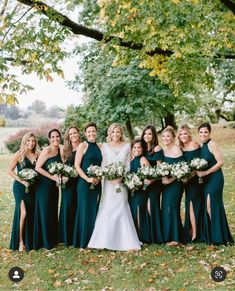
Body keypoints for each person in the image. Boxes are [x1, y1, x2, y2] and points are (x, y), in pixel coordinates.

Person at [88, 123, 141, 251]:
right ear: (109, 134)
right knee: (108, 206)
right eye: (113, 132)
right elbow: (103, 164)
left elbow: (128, 164)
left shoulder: (127, 147)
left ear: (121, 133)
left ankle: (125, 241)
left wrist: (121, 177)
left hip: (122, 182)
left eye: (117, 132)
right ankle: (104, 240)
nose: (115, 135)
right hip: (109, 183)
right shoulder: (104, 147)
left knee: (122, 205)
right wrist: (110, 177)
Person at [197, 123, 233, 245]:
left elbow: (221, 162)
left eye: (205, 132)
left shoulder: (212, 144)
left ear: (209, 133)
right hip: (206, 180)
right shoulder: (202, 145)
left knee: (210, 205)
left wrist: (206, 172)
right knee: (209, 206)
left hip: (215, 178)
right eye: (201, 132)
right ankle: (215, 235)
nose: (203, 134)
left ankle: (218, 237)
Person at [8, 132, 40, 252]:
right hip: (20, 188)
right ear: (24, 141)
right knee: (23, 213)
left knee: (31, 213)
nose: (31, 143)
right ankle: (21, 242)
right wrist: (22, 181)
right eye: (28, 141)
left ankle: (30, 240)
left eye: (33, 141)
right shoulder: (19, 154)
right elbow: (10, 171)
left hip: (33, 188)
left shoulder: (37, 154)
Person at [73, 122, 102, 248]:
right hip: (84, 184)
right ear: (85, 133)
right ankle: (82, 241)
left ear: (96, 132)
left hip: (97, 183)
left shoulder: (100, 146)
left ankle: (94, 240)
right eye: (89, 131)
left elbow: (103, 165)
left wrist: (99, 177)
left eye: (93, 131)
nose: (91, 133)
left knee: (94, 209)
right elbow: (77, 166)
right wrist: (87, 179)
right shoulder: (82, 146)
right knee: (84, 210)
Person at [34, 128, 62, 250]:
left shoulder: (60, 150)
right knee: (45, 212)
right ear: (49, 139)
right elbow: (38, 167)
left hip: (54, 186)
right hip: (44, 186)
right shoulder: (47, 150)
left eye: (57, 136)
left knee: (52, 211)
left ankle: (53, 239)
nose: (55, 139)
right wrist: (51, 176)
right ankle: (45, 242)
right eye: (53, 137)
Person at [178, 124, 204, 243]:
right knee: (189, 204)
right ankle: (191, 230)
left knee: (192, 204)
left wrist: (190, 176)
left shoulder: (194, 145)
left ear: (189, 134)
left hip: (195, 181)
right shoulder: (181, 148)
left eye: (185, 134)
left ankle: (195, 233)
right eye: (181, 134)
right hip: (185, 182)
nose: (183, 136)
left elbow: (200, 163)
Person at [161, 126, 185, 246]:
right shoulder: (162, 150)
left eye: (168, 136)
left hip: (175, 184)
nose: (165, 138)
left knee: (173, 207)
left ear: (172, 138)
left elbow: (183, 169)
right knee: (165, 208)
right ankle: (167, 236)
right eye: (163, 136)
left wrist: (171, 179)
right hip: (164, 184)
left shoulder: (177, 150)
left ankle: (176, 237)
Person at [141, 125, 164, 243]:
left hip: (155, 182)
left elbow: (160, 169)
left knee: (152, 207)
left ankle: (157, 236)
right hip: (145, 183)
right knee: (145, 207)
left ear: (154, 135)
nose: (147, 136)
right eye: (145, 134)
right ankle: (148, 236)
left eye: (149, 134)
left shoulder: (157, 148)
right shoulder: (143, 148)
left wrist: (151, 180)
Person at [59, 126, 80, 247]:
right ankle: (66, 237)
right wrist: (62, 177)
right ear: (68, 136)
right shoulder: (64, 149)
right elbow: (61, 166)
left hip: (80, 181)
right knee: (67, 207)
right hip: (67, 182)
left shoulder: (83, 146)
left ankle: (76, 235)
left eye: (75, 133)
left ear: (78, 134)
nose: (73, 135)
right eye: (70, 134)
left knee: (77, 206)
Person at [128, 139, 150, 243]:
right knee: (132, 212)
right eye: (134, 147)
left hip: (140, 190)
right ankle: (135, 235)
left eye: (139, 147)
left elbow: (148, 175)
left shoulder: (143, 159)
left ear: (142, 149)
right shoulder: (131, 159)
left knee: (139, 212)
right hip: (131, 190)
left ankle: (142, 236)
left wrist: (139, 183)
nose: (136, 149)